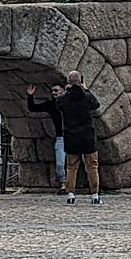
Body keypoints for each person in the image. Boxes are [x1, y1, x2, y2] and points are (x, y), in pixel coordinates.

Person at [56, 71, 102, 206]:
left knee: (71, 167)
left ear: (68, 82)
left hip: (71, 136)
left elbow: (59, 105)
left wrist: (67, 90)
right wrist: (86, 89)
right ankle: (95, 195)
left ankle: (70, 194)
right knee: (92, 166)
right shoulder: (87, 97)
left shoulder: (63, 99)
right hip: (87, 136)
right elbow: (96, 105)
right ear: (81, 81)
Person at [26, 83, 66, 192]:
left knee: (81, 161)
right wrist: (30, 96)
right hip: (61, 137)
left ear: (63, 90)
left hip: (74, 137)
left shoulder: (71, 102)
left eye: (56, 90)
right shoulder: (51, 105)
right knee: (60, 163)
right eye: (52, 91)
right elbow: (33, 108)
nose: (54, 93)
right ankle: (64, 183)